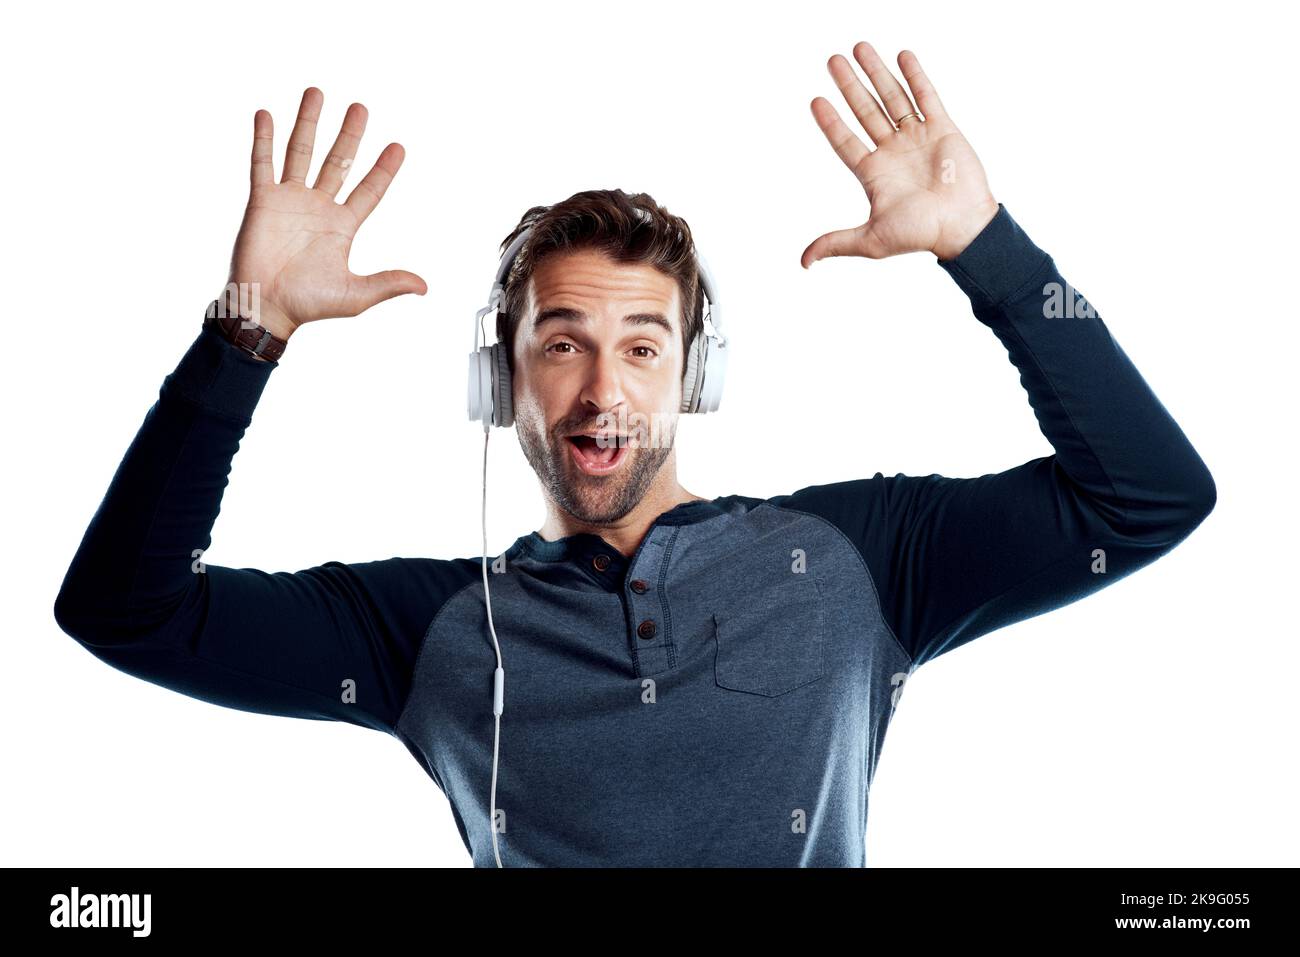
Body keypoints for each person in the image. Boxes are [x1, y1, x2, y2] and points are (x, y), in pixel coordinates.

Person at [54, 42, 1216, 867]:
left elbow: (1150, 498)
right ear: (500, 380)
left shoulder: (858, 560)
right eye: (561, 344)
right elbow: (124, 611)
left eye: (642, 346)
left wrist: (991, 251)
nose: (603, 390)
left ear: (693, 376)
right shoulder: (427, 630)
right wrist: (249, 326)